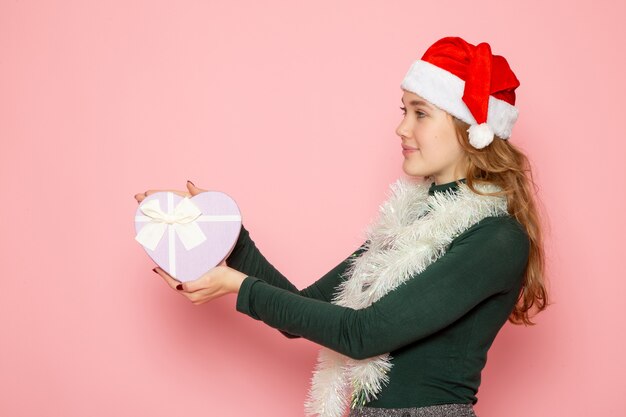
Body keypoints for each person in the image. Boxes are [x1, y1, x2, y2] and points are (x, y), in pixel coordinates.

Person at [134, 36, 549, 417]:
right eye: (403, 110)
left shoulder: (497, 239)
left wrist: (235, 285)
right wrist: (228, 237)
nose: (401, 127)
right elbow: (308, 309)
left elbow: (362, 334)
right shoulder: (407, 222)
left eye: (420, 113)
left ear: (471, 131)